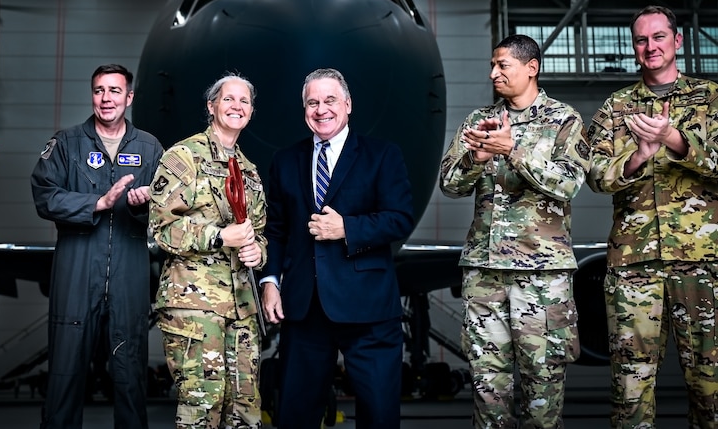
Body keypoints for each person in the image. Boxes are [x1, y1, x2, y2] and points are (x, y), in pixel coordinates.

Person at [439, 34, 590, 429]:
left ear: (531, 67)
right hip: (484, 274)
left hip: (541, 278)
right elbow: (450, 185)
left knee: (543, 390)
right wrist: (478, 156)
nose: (494, 73)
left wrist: (513, 152)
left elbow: (569, 184)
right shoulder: (478, 121)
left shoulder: (564, 119)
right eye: (493, 65)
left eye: (503, 65)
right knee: (488, 389)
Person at [586, 5, 718, 429]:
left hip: (701, 262)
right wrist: (639, 156)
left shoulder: (711, 98)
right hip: (633, 266)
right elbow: (595, 176)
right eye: (641, 40)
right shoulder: (616, 106)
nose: (650, 46)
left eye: (659, 37)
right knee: (630, 387)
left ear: (677, 41)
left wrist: (675, 140)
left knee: (710, 385)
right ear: (634, 48)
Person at [260, 67, 414, 429]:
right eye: (312, 102)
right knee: (295, 415)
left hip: (369, 309)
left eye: (329, 100)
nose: (321, 109)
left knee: (379, 415)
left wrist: (347, 227)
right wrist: (270, 281)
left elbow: (399, 218)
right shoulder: (285, 161)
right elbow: (276, 230)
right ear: (304, 111)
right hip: (305, 308)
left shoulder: (382, 155)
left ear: (347, 104)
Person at [30, 63, 163, 429]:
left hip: (130, 271)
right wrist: (97, 204)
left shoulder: (150, 148)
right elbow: (44, 195)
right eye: (100, 90)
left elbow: (168, 209)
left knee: (130, 375)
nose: (106, 99)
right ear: (92, 95)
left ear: (129, 97)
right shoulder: (67, 143)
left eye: (115, 91)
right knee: (64, 375)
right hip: (76, 269)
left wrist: (142, 206)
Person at [148, 72, 266, 429]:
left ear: (250, 112)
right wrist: (218, 236)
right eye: (228, 99)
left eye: (244, 101)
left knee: (245, 408)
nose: (237, 106)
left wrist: (258, 252)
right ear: (211, 106)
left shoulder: (249, 173)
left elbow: (259, 234)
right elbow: (161, 228)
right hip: (194, 308)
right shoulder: (184, 157)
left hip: (242, 307)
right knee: (203, 405)